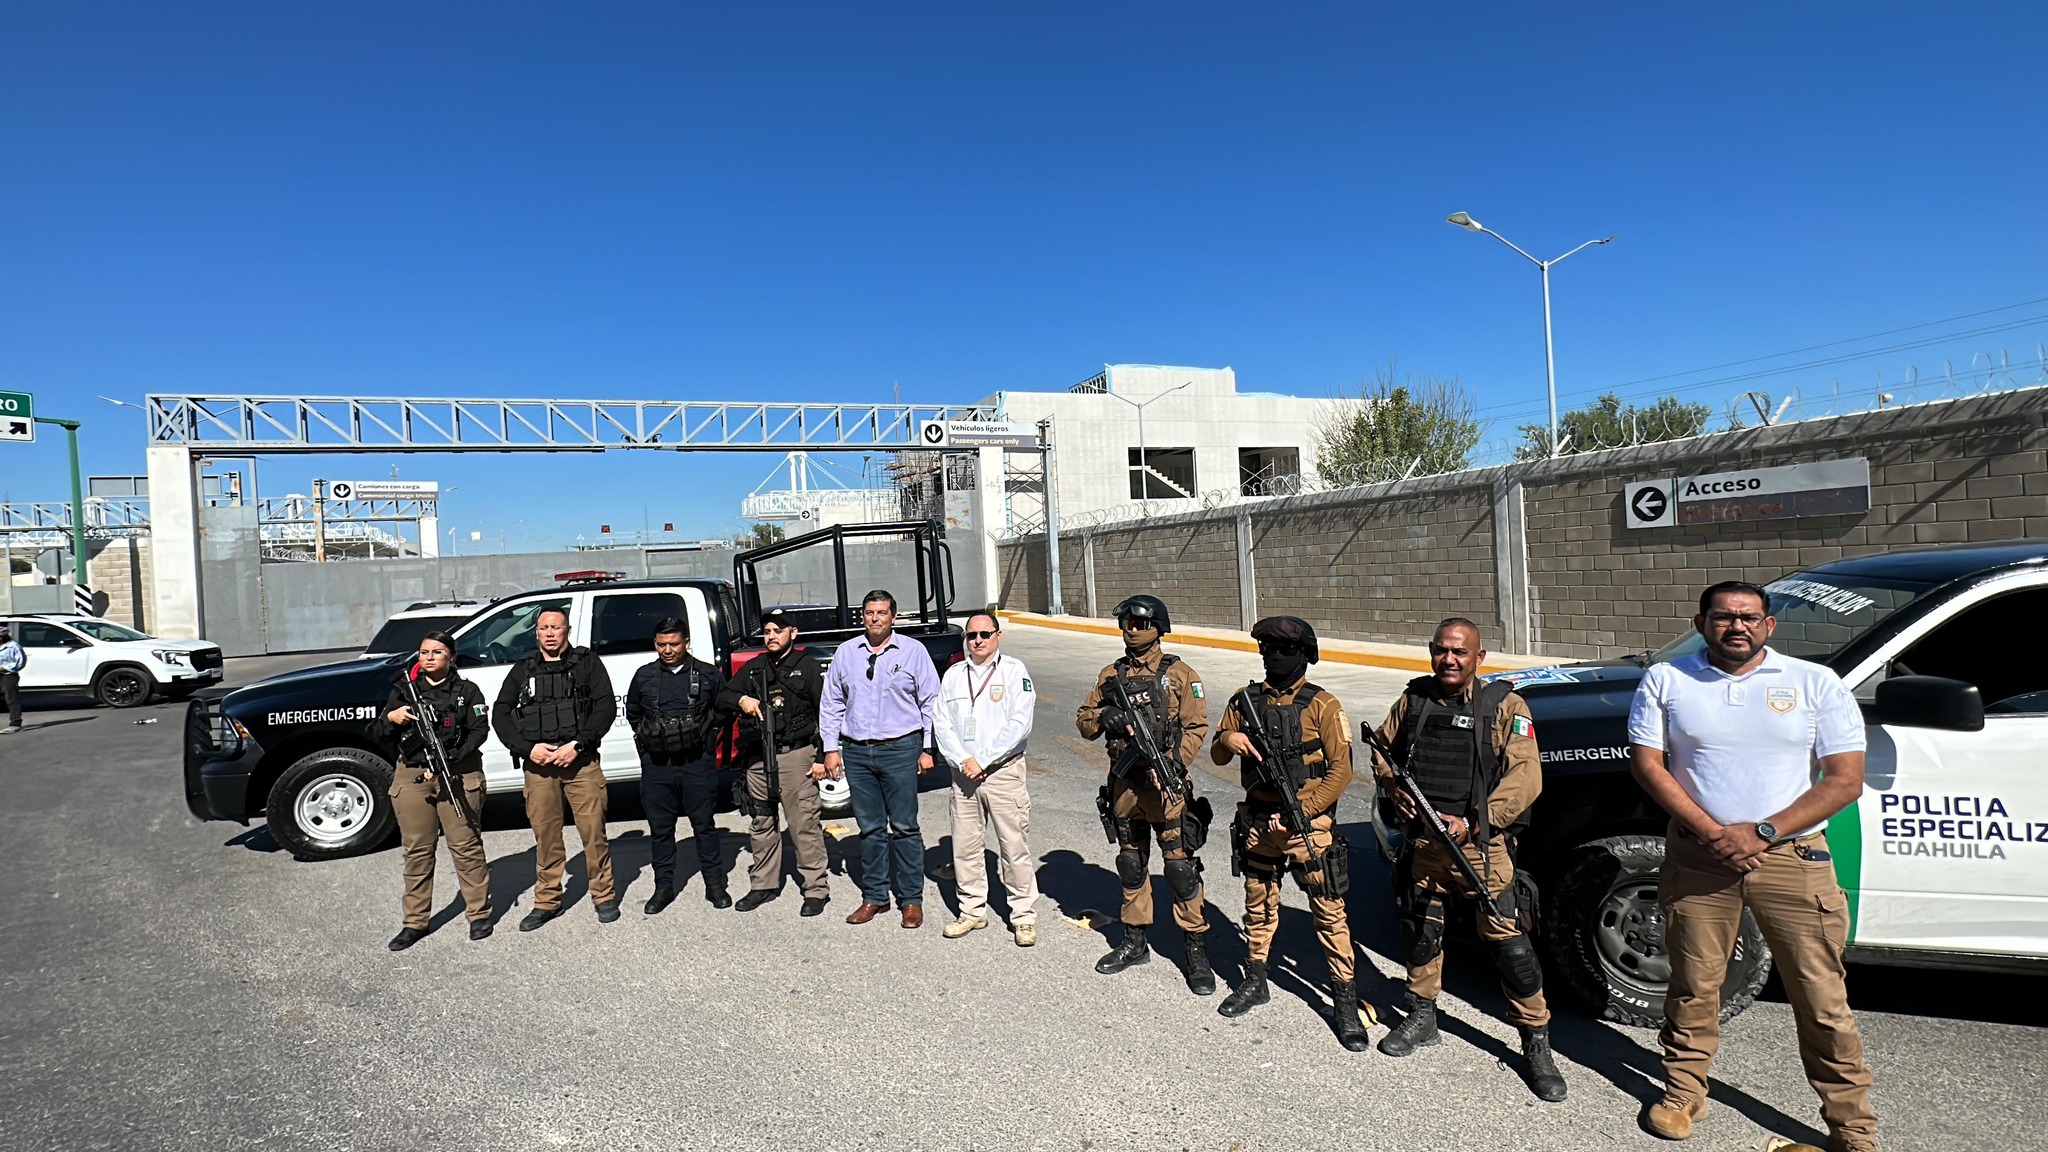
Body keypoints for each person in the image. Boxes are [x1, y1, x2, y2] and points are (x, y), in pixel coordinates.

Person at [1627, 581, 1879, 1151]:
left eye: (1749, 617)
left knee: (1821, 999)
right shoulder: (1668, 679)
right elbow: (1649, 765)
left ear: (1769, 625)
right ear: (1701, 622)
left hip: (1791, 857)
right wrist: (1714, 832)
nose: (1736, 627)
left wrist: (1760, 831)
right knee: (1693, 984)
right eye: (1723, 617)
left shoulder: (1814, 683)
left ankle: (1853, 1130)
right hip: (1700, 856)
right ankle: (1683, 1090)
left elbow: (1844, 780)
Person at [1365, 616, 1566, 1102]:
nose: (1449, 660)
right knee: (1420, 928)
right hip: (1424, 845)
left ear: (1480, 658)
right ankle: (1421, 1014)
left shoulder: (1504, 706)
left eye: (1460, 652)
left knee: (1509, 945)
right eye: (1441, 650)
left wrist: (1476, 822)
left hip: (1481, 848)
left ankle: (1536, 1041)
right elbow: (1381, 753)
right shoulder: (1413, 699)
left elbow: (1525, 777)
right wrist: (1394, 788)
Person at [1210, 616, 1368, 1050]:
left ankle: (1345, 1003)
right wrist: (1231, 740)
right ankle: (1256, 980)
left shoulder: (1324, 706)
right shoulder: (1244, 701)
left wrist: (1305, 810)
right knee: (1258, 905)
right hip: (1260, 820)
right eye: (1268, 651)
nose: (1275, 659)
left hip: (1306, 825)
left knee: (1328, 912)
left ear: (1303, 656)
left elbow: (1342, 770)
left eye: (1285, 652)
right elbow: (1218, 754)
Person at [1075, 594, 1216, 996]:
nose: (1131, 631)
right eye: (1126, 625)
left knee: (1181, 870)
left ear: (1157, 626)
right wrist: (1105, 715)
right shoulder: (1110, 675)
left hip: (1165, 786)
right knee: (1131, 863)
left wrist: (1171, 764)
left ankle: (1195, 950)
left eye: (1138, 624)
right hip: (1126, 788)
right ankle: (1135, 942)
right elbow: (1084, 721)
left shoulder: (1180, 674)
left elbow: (1196, 727)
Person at [490, 607, 619, 931]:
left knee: (594, 833)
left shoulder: (587, 663)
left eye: (556, 628)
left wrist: (577, 744)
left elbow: (605, 707)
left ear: (567, 630)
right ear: (536, 632)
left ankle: (603, 896)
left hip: (581, 762)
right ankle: (548, 901)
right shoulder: (524, 668)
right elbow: (501, 712)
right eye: (544, 627)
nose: (550, 633)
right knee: (546, 837)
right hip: (540, 766)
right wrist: (526, 748)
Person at [819, 589, 941, 928]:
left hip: (900, 749)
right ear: (863, 616)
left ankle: (911, 900)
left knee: (904, 827)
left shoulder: (913, 651)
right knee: (870, 828)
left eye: (882, 613)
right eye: (870, 612)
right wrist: (831, 748)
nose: (875, 618)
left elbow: (930, 702)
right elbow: (831, 704)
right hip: (857, 752)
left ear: (894, 617)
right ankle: (875, 896)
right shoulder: (846, 653)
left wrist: (928, 749)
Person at [368, 632, 493, 949]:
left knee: (466, 848)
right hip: (412, 776)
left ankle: (478, 915)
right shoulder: (403, 691)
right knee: (417, 852)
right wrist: (391, 718)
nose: (429, 657)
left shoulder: (467, 691)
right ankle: (414, 922)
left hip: (457, 773)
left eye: (437, 652)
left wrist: (449, 758)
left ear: (451, 656)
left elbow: (479, 731)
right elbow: (376, 733)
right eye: (423, 652)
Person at [715, 607, 832, 917]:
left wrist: (822, 756)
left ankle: (815, 889)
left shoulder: (806, 668)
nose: (771, 636)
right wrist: (742, 700)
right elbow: (722, 696)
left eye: (778, 631)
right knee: (761, 823)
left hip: (795, 756)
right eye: (767, 632)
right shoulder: (755, 668)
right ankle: (763, 885)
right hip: (758, 758)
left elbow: (827, 713)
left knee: (803, 825)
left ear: (792, 633)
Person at [932, 611, 1041, 946]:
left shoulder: (1013, 672)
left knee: (1013, 847)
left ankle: (1023, 917)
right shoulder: (953, 675)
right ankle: (971, 911)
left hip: (1002, 772)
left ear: (998, 636)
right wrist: (963, 760)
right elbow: (941, 721)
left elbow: (1019, 723)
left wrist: (984, 760)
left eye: (984, 634)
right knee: (965, 847)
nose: (977, 641)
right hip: (964, 774)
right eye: (971, 635)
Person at [625, 616, 729, 914]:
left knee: (704, 826)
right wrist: (654, 739)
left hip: (697, 762)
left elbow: (722, 711)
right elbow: (634, 713)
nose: (667, 650)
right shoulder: (644, 676)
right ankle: (663, 887)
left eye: (673, 644)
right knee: (660, 829)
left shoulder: (708, 674)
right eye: (661, 644)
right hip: (658, 765)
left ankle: (715, 885)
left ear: (686, 642)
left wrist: (704, 736)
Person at [0, 624, 23, 733]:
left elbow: (20, 662)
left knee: (11, 698)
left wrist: (4, 668)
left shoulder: (13, 646)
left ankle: (15, 723)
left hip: (8, 675)